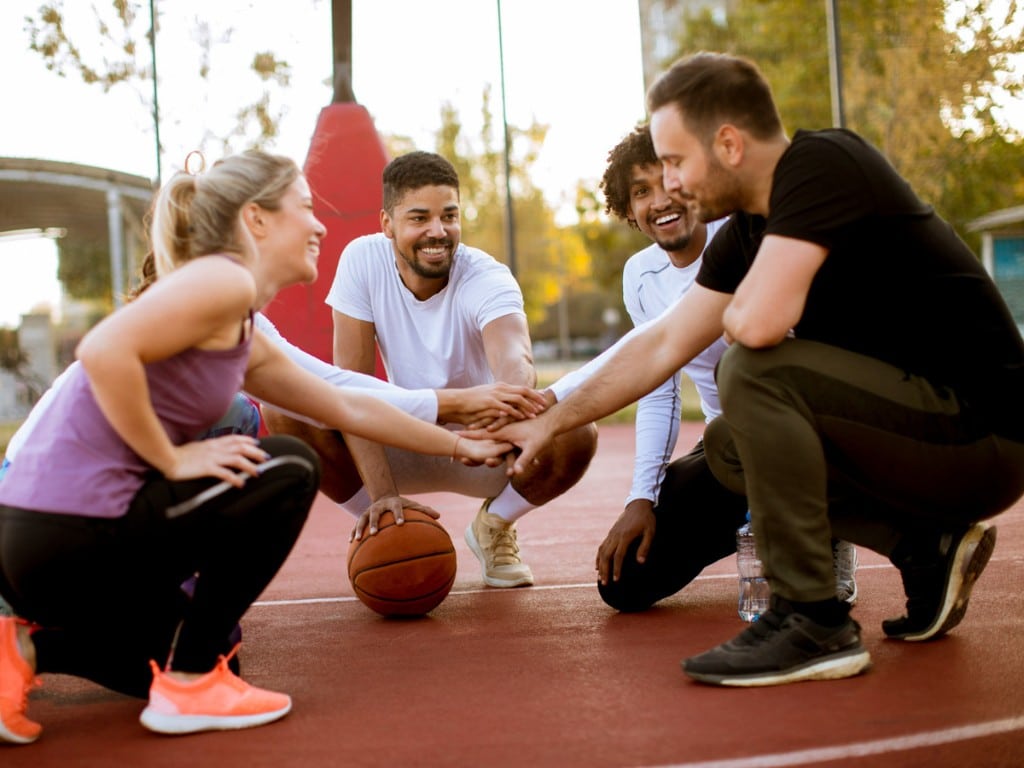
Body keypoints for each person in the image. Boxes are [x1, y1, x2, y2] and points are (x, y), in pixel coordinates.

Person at [485, 52, 1024, 687]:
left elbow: (757, 328)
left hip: (984, 435)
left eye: (678, 163)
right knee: (726, 443)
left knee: (753, 372)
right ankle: (923, 545)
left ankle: (813, 621)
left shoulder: (825, 166)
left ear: (730, 144)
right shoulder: (746, 230)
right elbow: (660, 347)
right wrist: (549, 417)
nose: (675, 185)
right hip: (915, 439)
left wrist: (711, 321)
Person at [0, 150, 511, 744]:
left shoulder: (243, 325)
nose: (320, 226)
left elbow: (347, 405)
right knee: (289, 468)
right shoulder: (221, 279)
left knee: (218, 652)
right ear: (257, 220)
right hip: (64, 529)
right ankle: (189, 686)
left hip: (48, 542)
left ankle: (25, 649)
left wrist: (456, 446)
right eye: (305, 209)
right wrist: (173, 460)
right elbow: (102, 350)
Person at [549, 124, 857, 612]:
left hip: (806, 431)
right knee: (626, 582)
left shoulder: (744, 234)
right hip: (731, 448)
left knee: (736, 408)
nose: (659, 201)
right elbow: (657, 388)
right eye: (640, 192)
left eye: (669, 182)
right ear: (627, 209)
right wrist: (641, 498)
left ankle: (825, 529)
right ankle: (761, 529)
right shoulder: (641, 276)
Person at [263, 150, 598, 588]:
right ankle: (384, 522)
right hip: (398, 434)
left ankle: (493, 526)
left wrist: (501, 418)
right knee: (284, 412)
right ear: (387, 224)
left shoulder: (486, 276)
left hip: (487, 443)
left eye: (450, 216)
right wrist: (382, 493)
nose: (438, 232)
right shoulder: (362, 261)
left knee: (575, 430)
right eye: (419, 218)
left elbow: (517, 361)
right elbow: (351, 388)